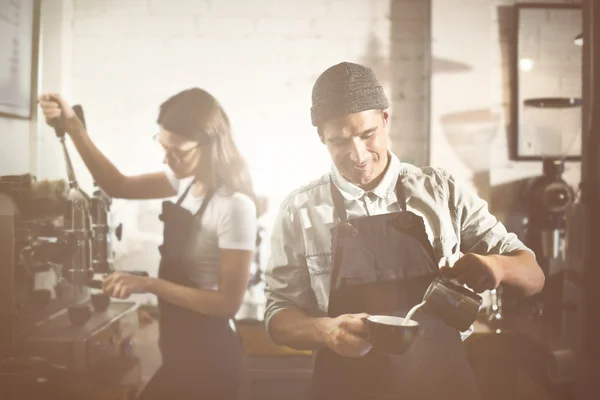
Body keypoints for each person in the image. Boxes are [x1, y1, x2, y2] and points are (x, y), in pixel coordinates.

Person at [264, 62, 545, 400]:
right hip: (344, 389)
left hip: (442, 386)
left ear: (385, 118)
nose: (357, 155)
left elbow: (533, 275)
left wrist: (496, 266)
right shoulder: (300, 210)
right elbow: (278, 315)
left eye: (367, 135)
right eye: (339, 141)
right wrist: (324, 330)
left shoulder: (442, 191)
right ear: (321, 137)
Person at [38, 88, 257, 399]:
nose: (167, 159)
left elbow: (227, 303)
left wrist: (151, 285)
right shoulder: (183, 182)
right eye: (163, 146)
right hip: (178, 355)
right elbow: (118, 185)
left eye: (178, 151)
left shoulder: (234, 206)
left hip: (212, 363)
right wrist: (73, 126)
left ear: (210, 144)